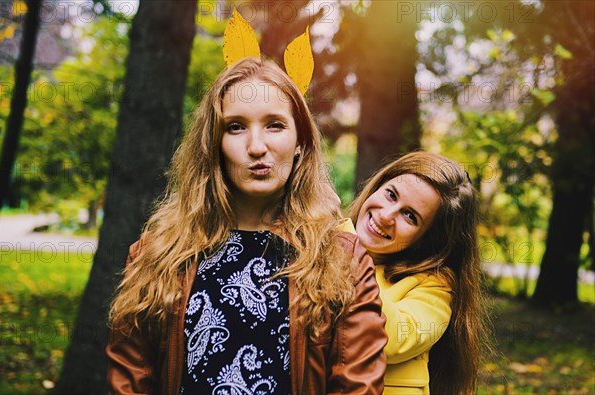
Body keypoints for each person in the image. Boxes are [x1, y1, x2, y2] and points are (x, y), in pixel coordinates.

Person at [105, 57, 387, 395]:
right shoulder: (158, 252)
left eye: (275, 125)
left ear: (300, 143)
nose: (256, 147)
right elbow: (131, 380)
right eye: (235, 126)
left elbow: (358, 385)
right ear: (214, 143)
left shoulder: (343, 260)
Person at [348, 151, 488, 395]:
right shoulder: (318, 246)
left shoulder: (436, 288)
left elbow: (386, 338)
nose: (385, 216)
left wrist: (346, 246)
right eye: (391, 195)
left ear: (427, 242)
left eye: (410, 216)